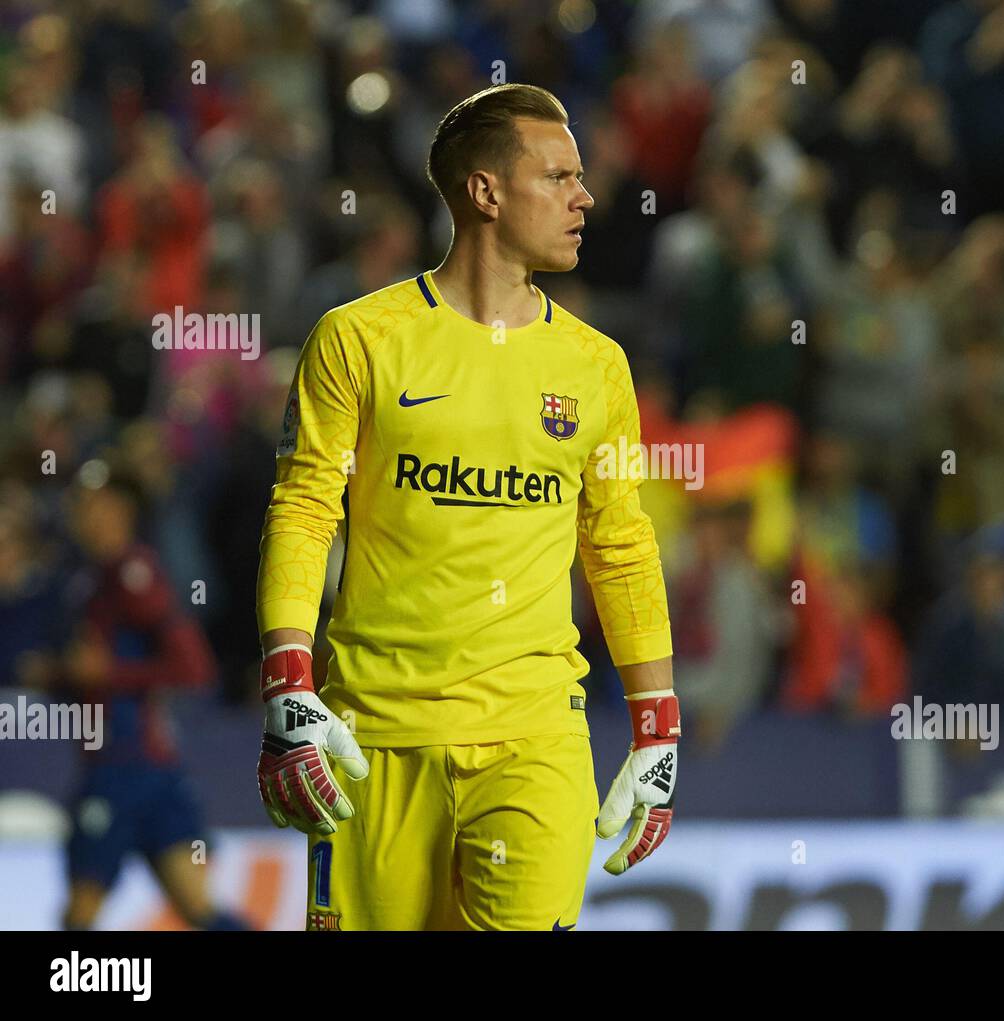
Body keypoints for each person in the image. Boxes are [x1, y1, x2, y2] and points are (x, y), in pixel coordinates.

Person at [254, 83, 679, 932]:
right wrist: (286, 685)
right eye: (558, 176)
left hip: (536, 738)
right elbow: (304, 511)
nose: (584, 197)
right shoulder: (358, 338)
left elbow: (620, 546)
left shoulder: (598, 366)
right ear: (485, 193)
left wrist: (658, 726)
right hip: (374, 734)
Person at [32, 463, 246, 931]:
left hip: (126, 768)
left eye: (94, 504)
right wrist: (59, 676)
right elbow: (94, 672)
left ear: (120, 511)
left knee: (81, 913)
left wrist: (109, 672)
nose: (82, 515)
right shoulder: (87, 580)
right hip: (140, 768)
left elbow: (193, 667)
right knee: (197, 908)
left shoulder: (134, 574)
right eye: (79, 504)